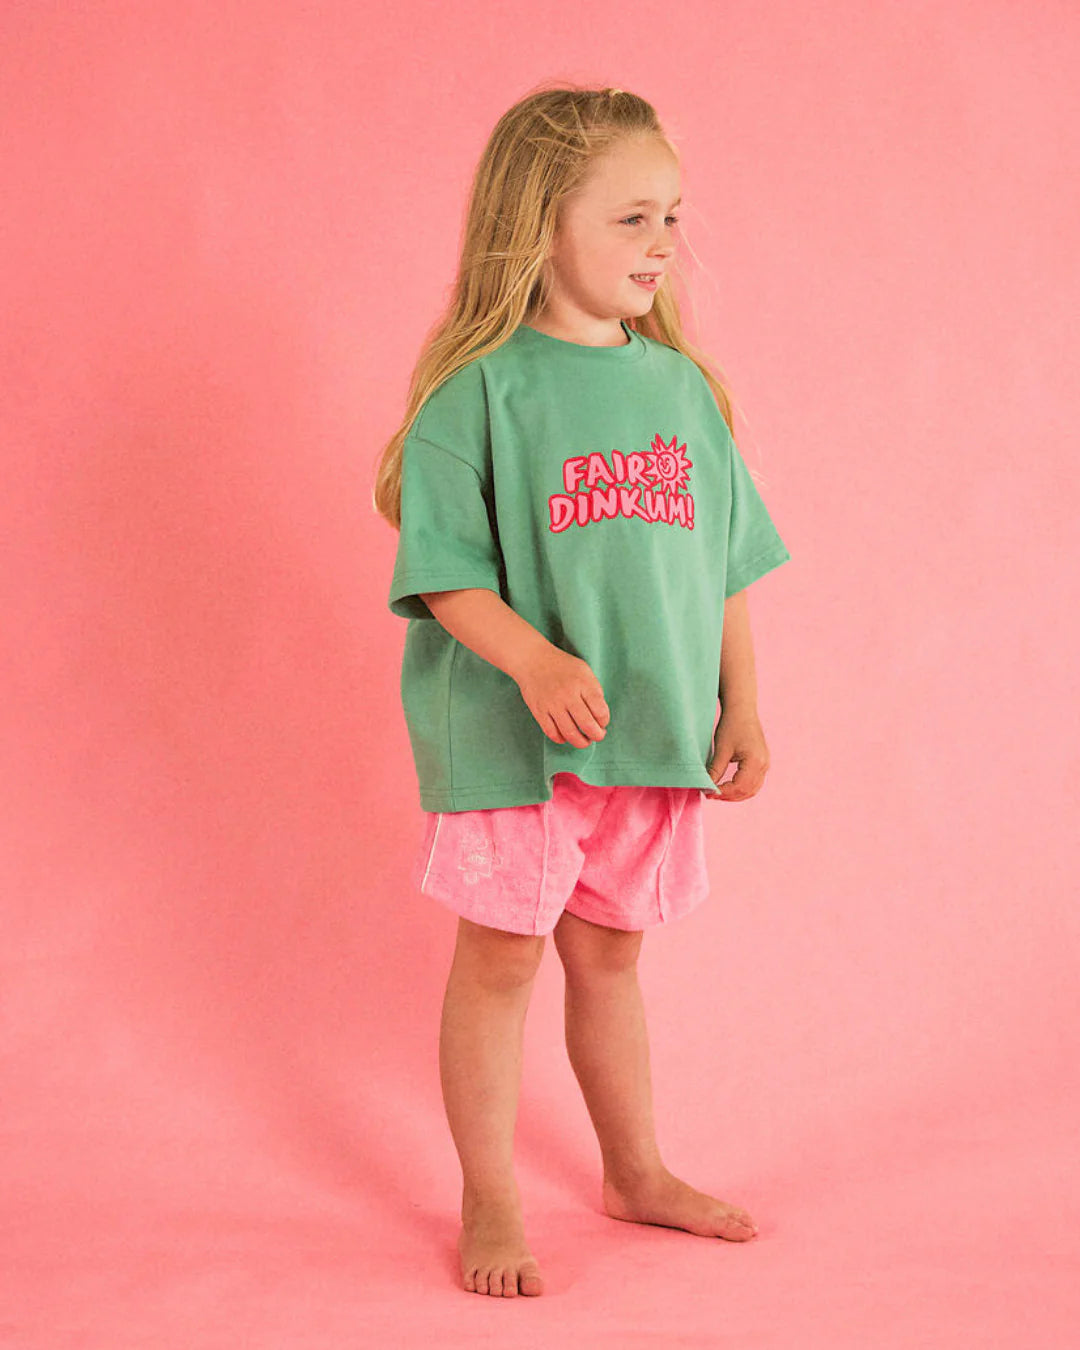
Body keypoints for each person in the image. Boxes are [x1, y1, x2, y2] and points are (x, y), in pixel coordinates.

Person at [373, 84, 791, 1299]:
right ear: (539, 224)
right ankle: (491, 1196)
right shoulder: (479, 394)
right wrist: (537, 662)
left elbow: (724, 568)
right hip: (512, 741)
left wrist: (743, 703)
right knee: (502, 961)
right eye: (631, 218)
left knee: (610, 960)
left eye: (672, 216)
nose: (663, 243)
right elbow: (444, 575)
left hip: (647, 734)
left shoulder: (685, 393)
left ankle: (635, 1171)